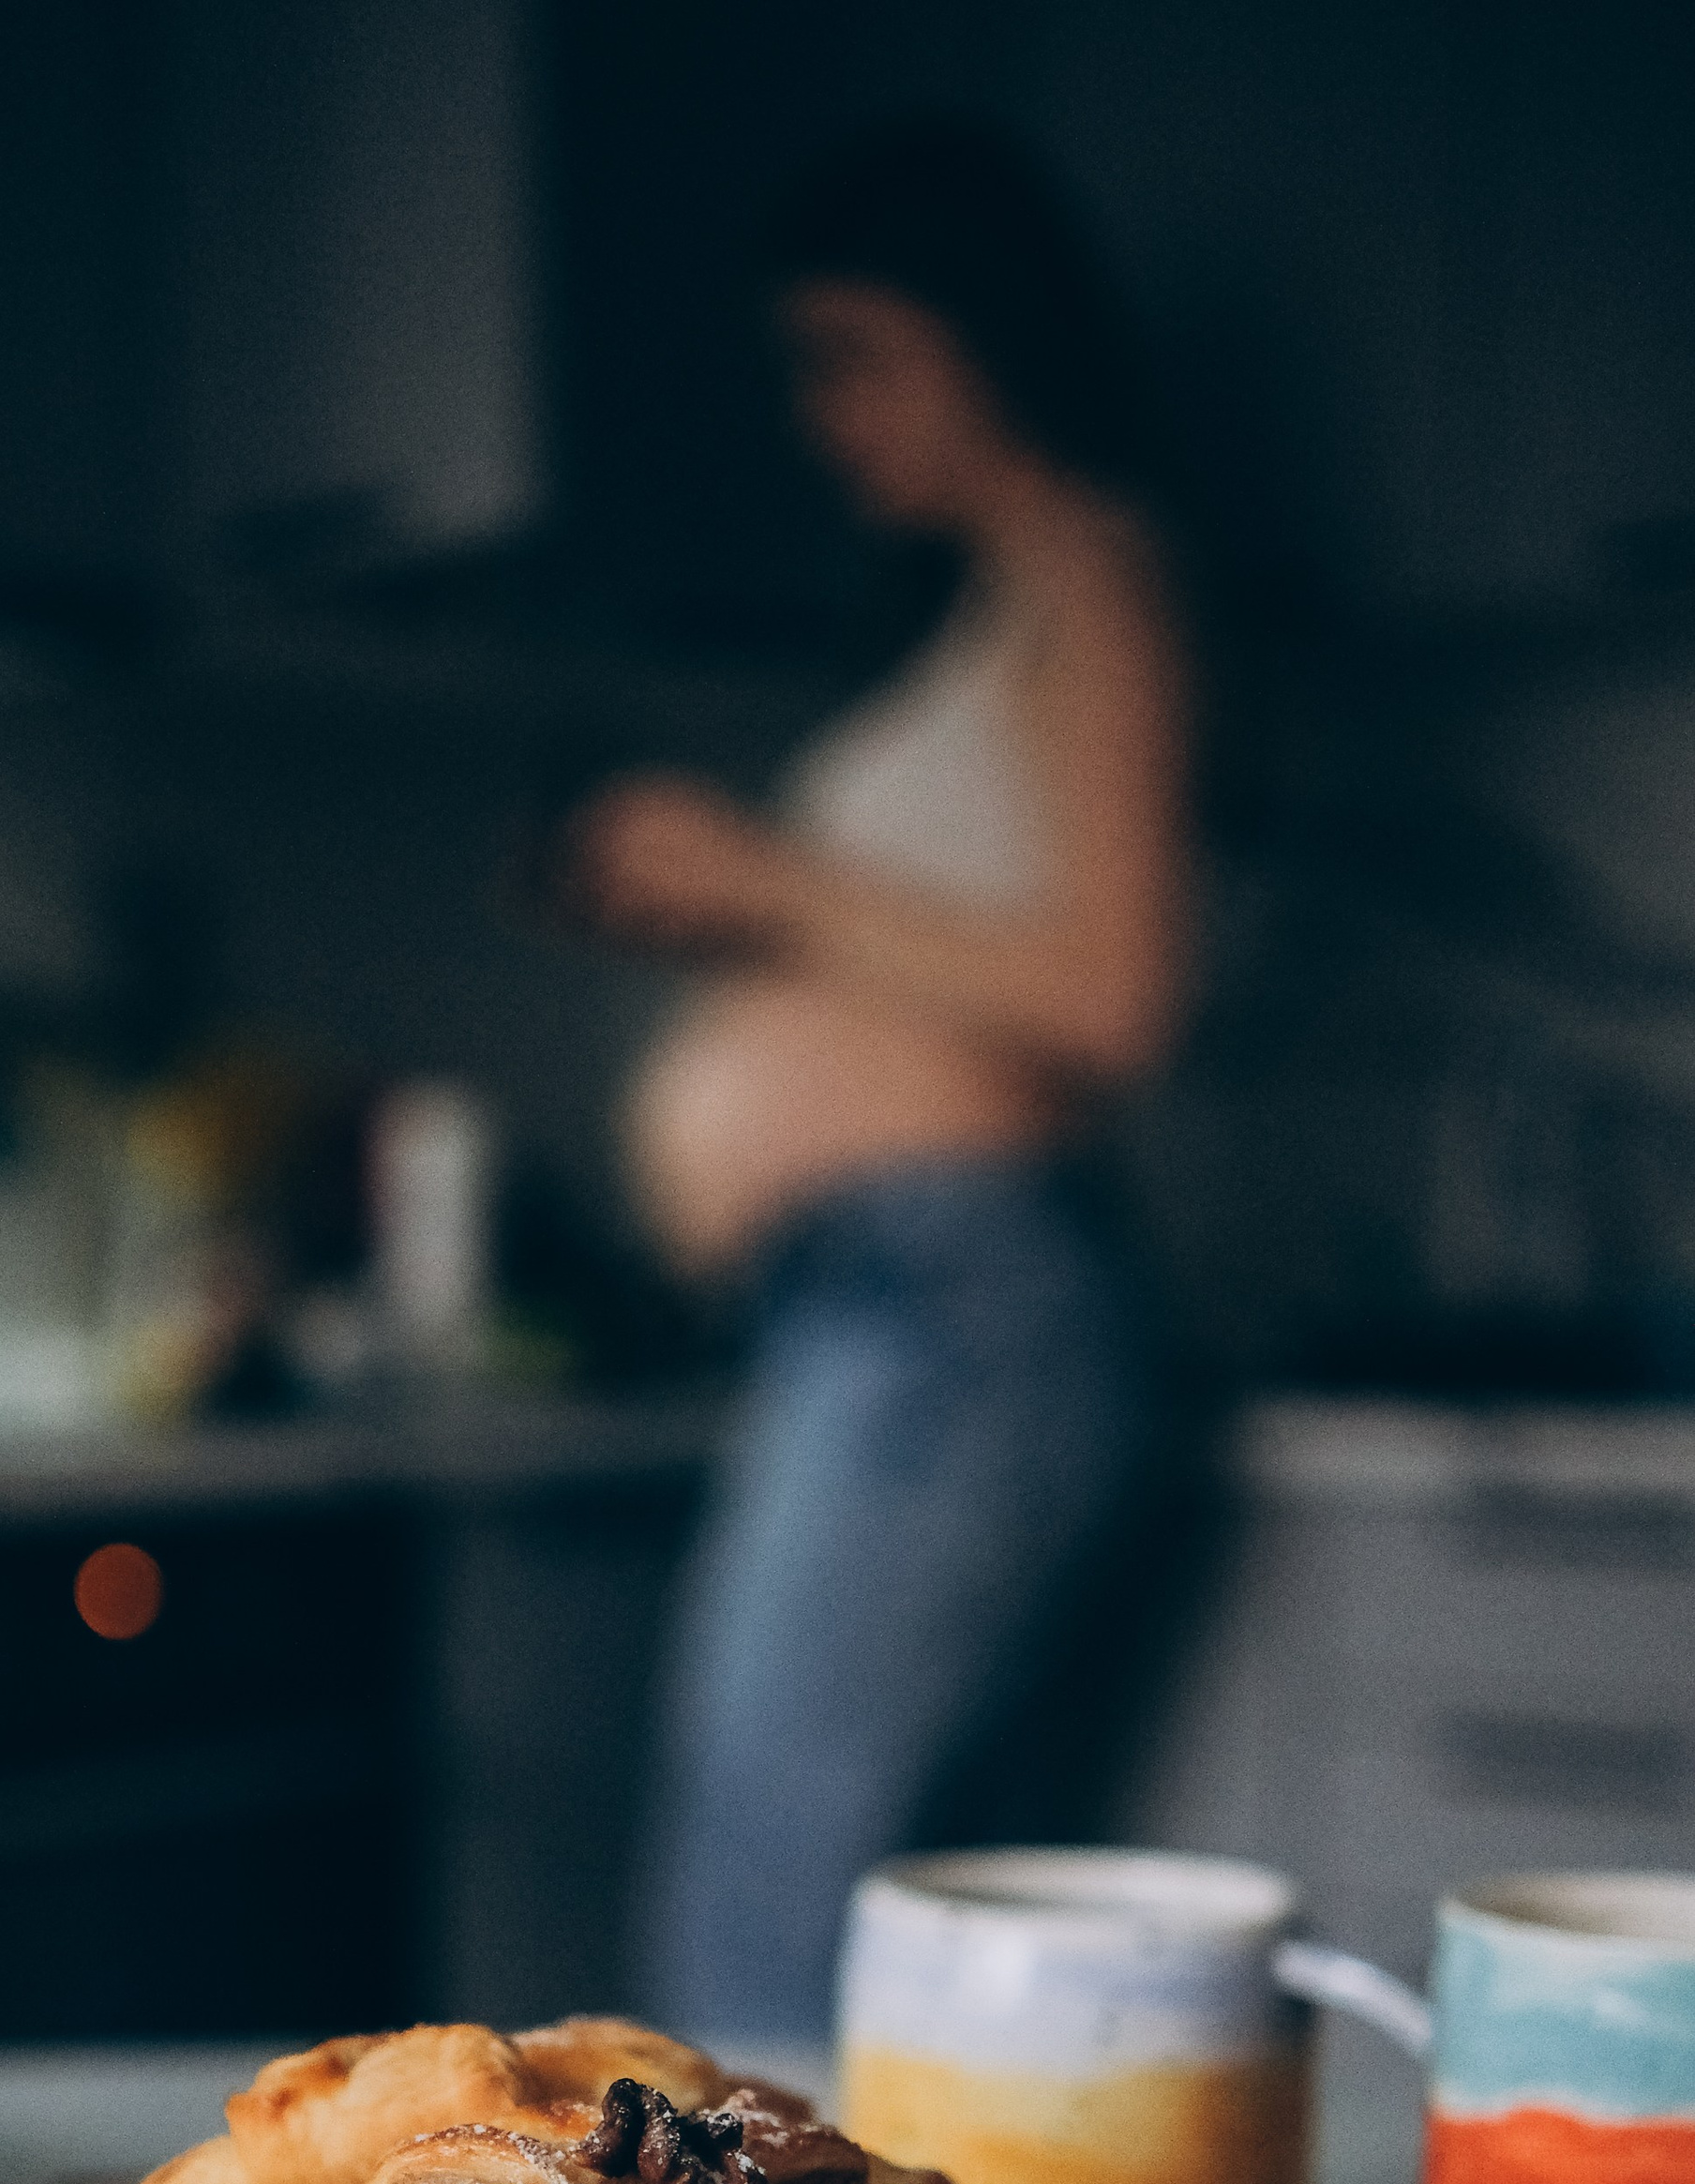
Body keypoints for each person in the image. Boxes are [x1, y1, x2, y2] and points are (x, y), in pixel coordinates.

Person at [566, 121, 1195, 2041]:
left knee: (769, 1888)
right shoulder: (970, 623)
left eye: (854, 353)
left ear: (984, 333)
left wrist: (760, 875)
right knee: (898, 1935)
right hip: (889, 1308)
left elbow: (1108, 989)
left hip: (959, 1314)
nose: (820, 412)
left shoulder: (1088, 570)